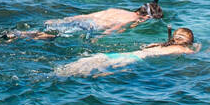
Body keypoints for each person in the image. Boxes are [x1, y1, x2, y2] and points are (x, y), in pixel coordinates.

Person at [0, 0, 163, 42]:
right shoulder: (131, 20)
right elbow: (114, 30)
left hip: (83, 21)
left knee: (54, 30)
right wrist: (98, 39)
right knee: (52, 36)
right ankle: (19, 36)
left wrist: (63, 20)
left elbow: (87, 15)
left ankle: (18, 34)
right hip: (89, 28)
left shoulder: (116, 9)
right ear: (146, 17)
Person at [55, 26, 200, 78]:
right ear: (189, 41)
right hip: (129, 60)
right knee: (84, 74)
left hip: (121, 55)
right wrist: (199, 47)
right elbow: (193, 53)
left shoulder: (160, 44)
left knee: (71, 69)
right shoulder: (182, 49)